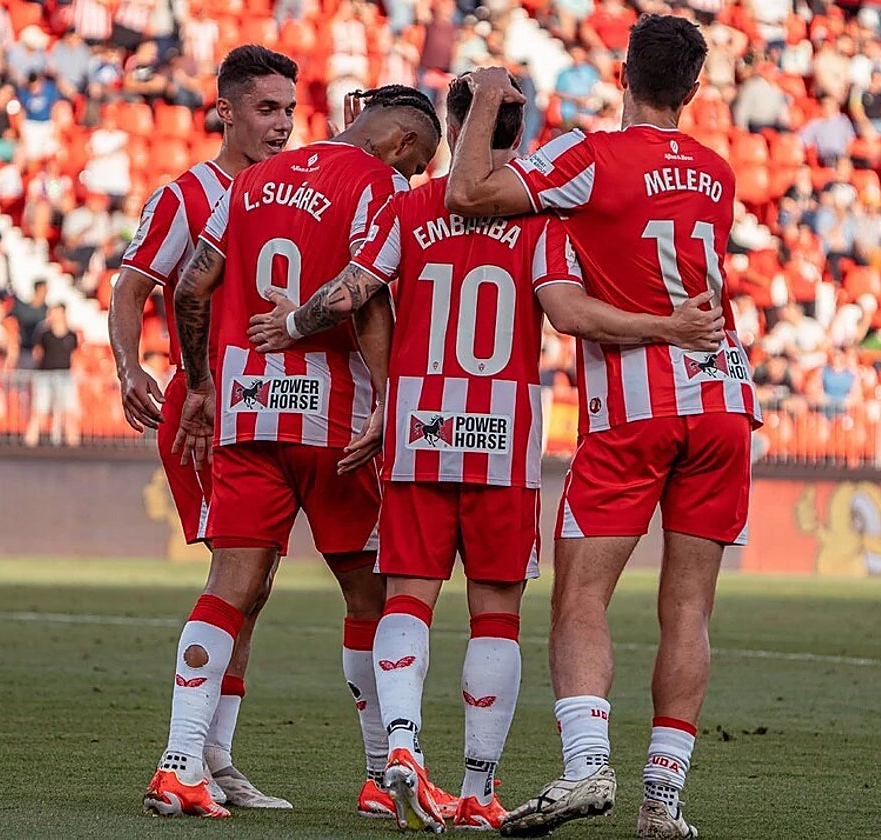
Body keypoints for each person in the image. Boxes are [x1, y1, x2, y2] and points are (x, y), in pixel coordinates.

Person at [244, 73, 725, 832]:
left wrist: (293, 324)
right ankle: (477, 787)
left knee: (408, 597)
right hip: (503, 434)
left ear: (455, 124)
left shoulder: (408, 206)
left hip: (419, 427)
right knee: (495, 612)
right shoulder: (542, 219)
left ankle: (402, 749)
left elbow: (352, 290)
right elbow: (564, 312)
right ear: (517, 132)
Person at [445, 15, 762, 839]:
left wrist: (487, 99)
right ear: (694, 88)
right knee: (688, 609)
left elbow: (468, 194)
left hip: (635, 409)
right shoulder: (717, 172)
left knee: (582, 596)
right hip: (724, 402)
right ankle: (663, 800)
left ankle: (587, 765)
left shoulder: (587, 159)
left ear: (622, 74)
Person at [164, 83, 441, 821]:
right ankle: (380, 775)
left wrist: (201, 384)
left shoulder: (250, 180)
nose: (413, 175)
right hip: (333, 420)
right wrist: (384, 400)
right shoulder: (380, 184)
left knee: (228, 587)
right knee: (370, 595)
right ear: (402, 143)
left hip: (246, 410)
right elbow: (367, 296)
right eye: (418, 163)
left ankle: (179, 765)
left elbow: (191, 287)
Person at [108, 45, 298, 814]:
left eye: (290, 110)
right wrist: (129, 367)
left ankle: (214, 756)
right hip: (207, 409)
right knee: (237, 578)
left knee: (256, 585)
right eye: (266, 108)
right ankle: (189, 756)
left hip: (268, 408)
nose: (282, 124)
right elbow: (131, 287)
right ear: (226, 111)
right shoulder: (187, 195)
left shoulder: (292, 194)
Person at [24, 304, 81, 447]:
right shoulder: (44, 333)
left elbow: (74, 355)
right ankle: (30, 441)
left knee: (68, 411)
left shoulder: (71, 335)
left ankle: (73, 443)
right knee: (39, 409)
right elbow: (37, 353)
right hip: (45, 375)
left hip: (65, 375)